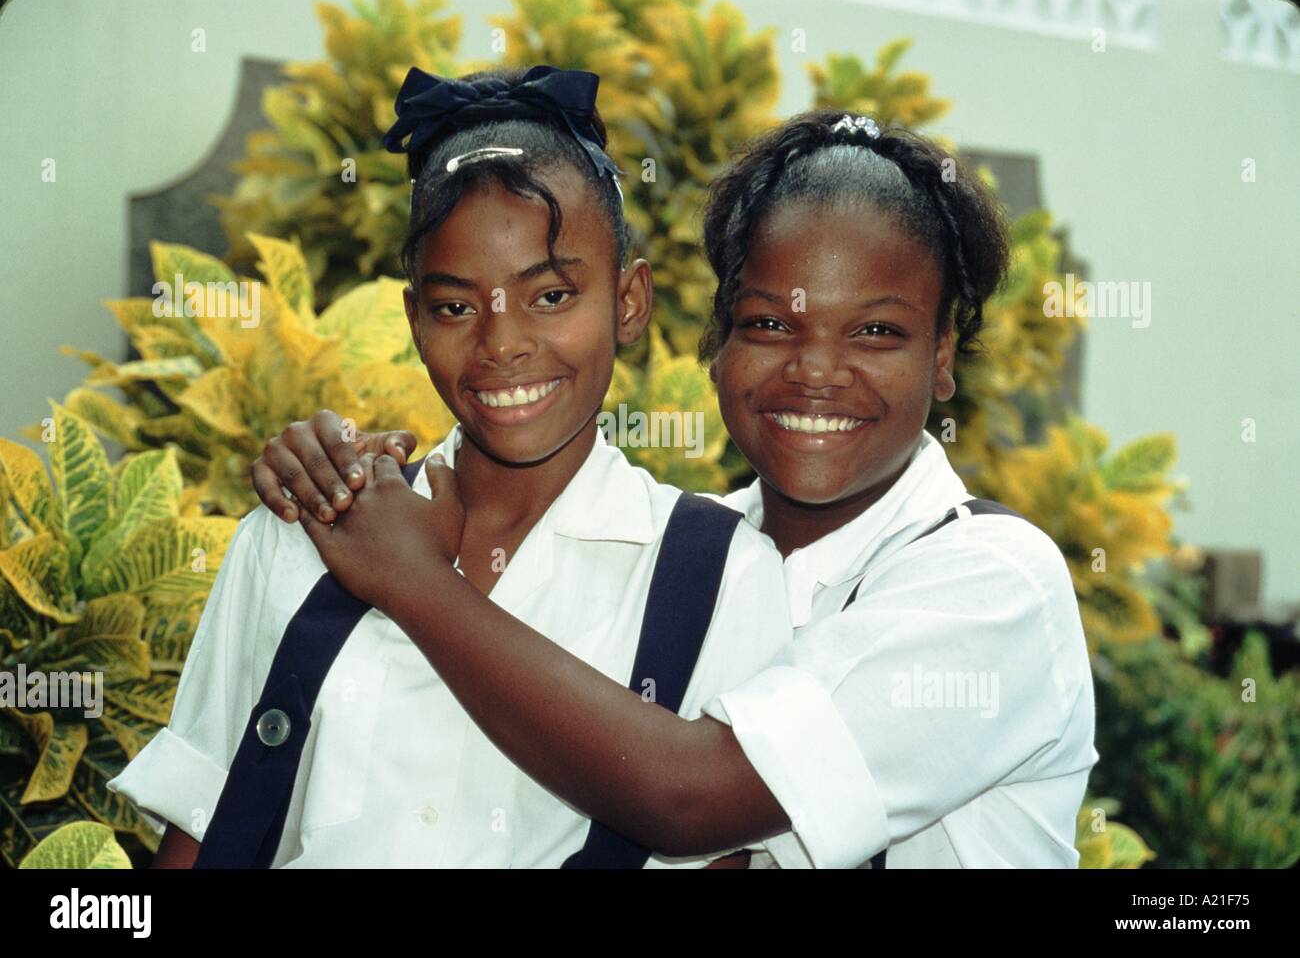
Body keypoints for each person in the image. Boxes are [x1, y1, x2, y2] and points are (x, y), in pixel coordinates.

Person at [261, 110, 1099, 868]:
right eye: (770, 323)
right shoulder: (695, 561)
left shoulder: (990, 580)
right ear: (718, 337)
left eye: (877, 332)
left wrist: (410, 580)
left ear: (943, 354)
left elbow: (687, 796)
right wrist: (337, 474)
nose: (814, 371)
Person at [107, 66, 793, 869]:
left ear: (630, 301)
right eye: (456, 306)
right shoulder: (303, 527)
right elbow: (202, 837)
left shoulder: (716, 577)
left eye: (550, 297)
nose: (501, 345)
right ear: (413, 318)